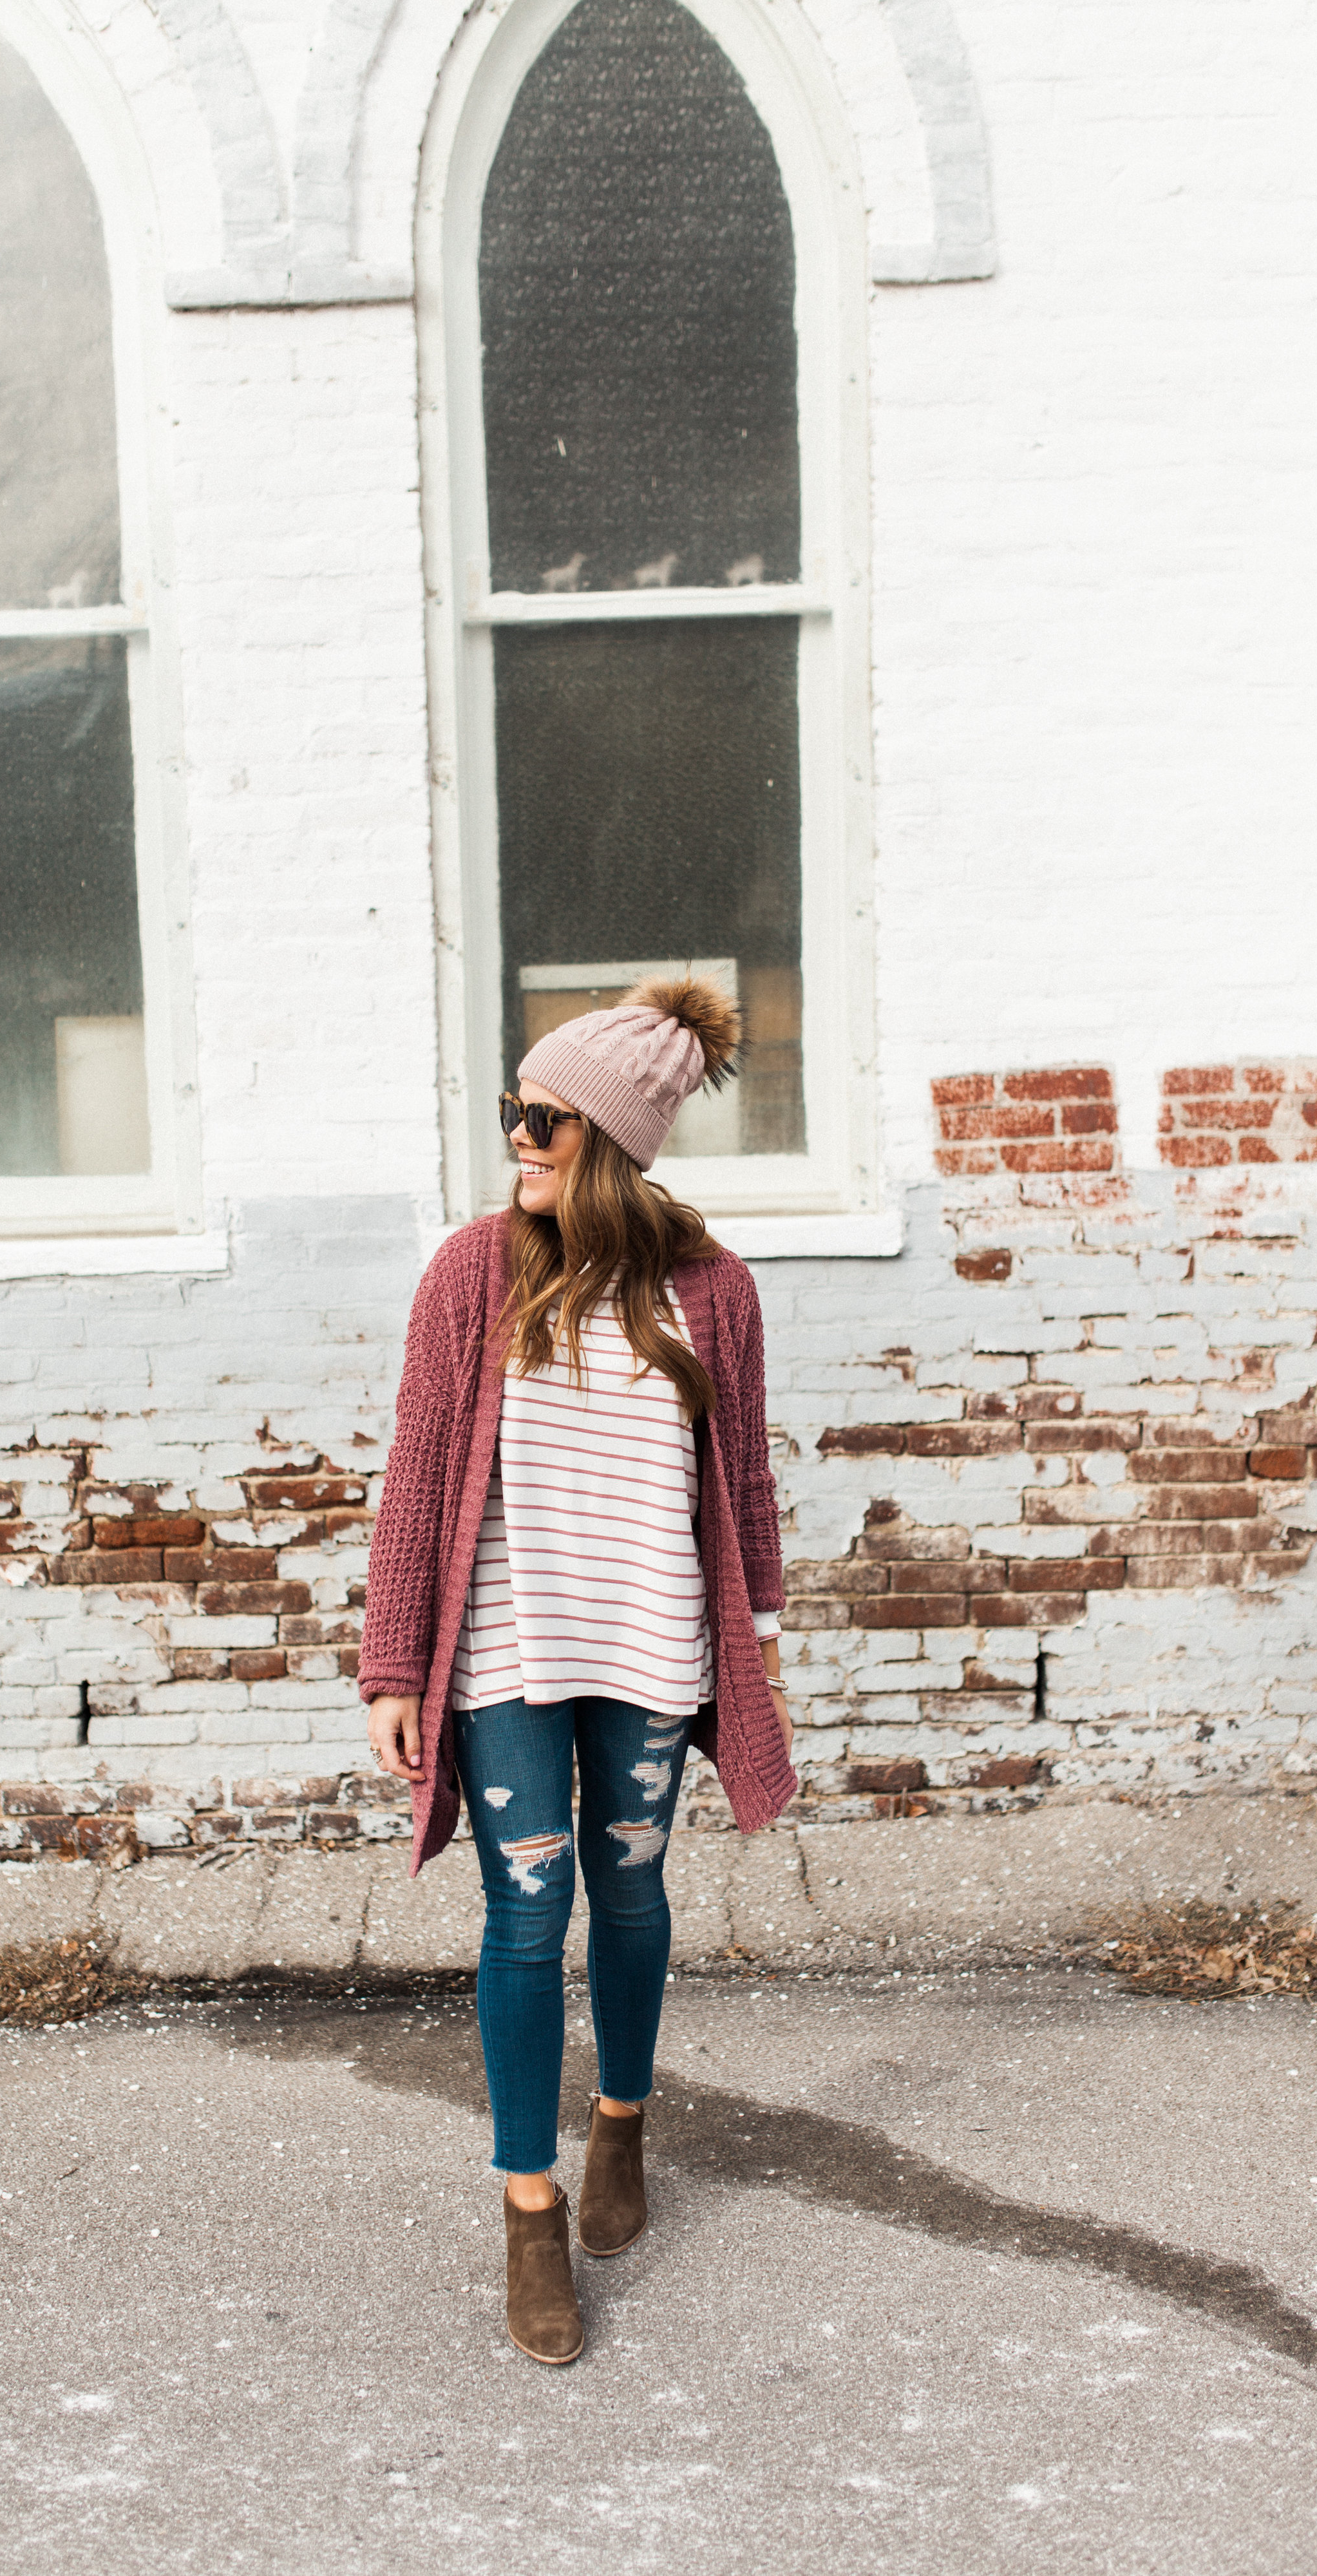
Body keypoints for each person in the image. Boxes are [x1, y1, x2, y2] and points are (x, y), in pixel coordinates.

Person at [358, 976, 797, 2365]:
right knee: (523, 1911)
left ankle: (620, 2120)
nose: (516, 1138)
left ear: (609, 1137)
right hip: (503, 1651)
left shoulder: (710, 1292)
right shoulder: (469, 1271)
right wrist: (389, 1661)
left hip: (652, 1642)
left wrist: (764, 1651)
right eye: (512, 1110)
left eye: (540, 1117)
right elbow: (420, 1469)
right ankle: (528, 2204)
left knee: (629, 1888)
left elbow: (744, 1482)